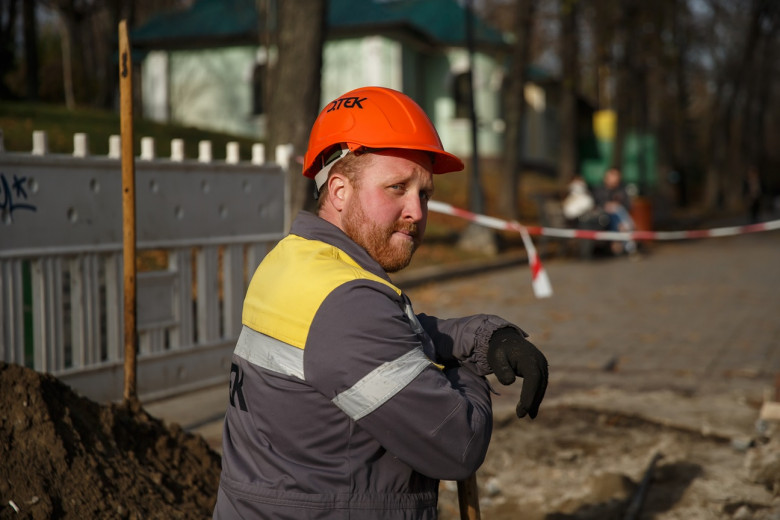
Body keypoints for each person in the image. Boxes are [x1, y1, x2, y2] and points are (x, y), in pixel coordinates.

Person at [212, 86, 548, 519]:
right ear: (338, 191)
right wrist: (465, 373)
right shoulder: (347, 303)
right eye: (396, 188)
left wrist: (483, 337)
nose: (417, 211)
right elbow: (457, 444)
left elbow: (390, 336)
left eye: (424, 194)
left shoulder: (293, 260)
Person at [592, 167, 637, 255]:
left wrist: (616, 206)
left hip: (617, 217)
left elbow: (628, 205)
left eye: (617, 176)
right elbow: (596, 203)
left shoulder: (621, 190)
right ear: (607, 177)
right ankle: (628, 244)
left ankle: (620, 240)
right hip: (603, 217)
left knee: (618, 211)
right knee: (617, 213)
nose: (615, 179)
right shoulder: (599, 189)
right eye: (613, 176)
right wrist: (607, 206)